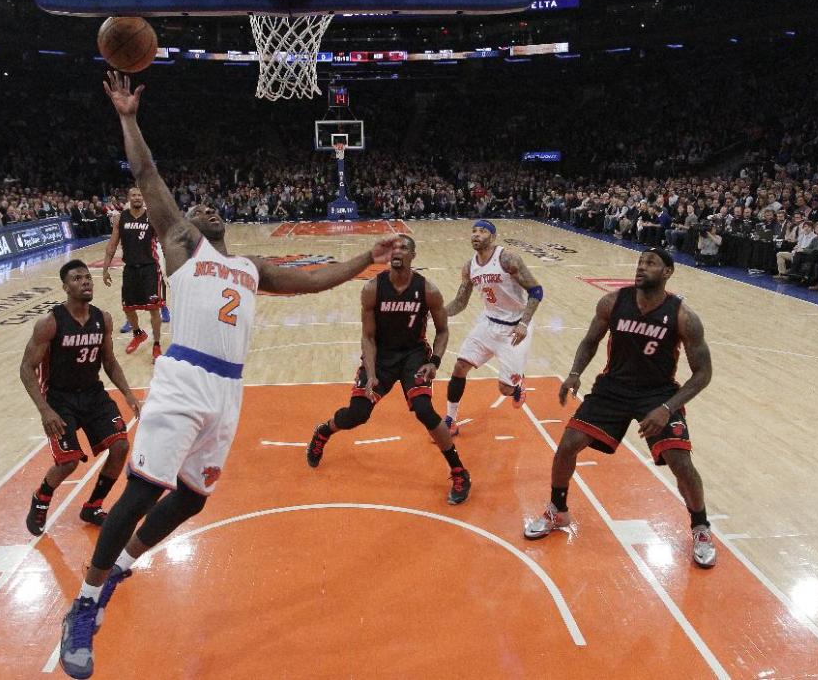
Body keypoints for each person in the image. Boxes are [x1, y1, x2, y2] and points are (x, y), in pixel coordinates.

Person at [58, 71, 394, 680]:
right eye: (199, 204)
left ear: (227, 222)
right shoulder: (186, 245)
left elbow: (314, 279)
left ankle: (124, 565)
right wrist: (129, 118)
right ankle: (83, 606)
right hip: (184, 376)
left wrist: (362, 260)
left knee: (191, 499)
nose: (204, 206)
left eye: (213, 206)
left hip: (228, 389)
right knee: (142, 490)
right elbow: (148, 178)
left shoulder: (249, 266)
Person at [523, 248, 718, 569]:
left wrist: (667, 408)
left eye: (651, 263)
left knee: (681, 462)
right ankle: (558, 510)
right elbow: (590, 341)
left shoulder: (683, 316)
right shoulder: (613, 302)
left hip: (658, 394)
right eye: (640, 262)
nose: (641, 267)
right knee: (568, 444)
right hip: (613, 388)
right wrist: (574, 373)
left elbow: (703, 374)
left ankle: (701, 527)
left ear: (668, 272)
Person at [305, 234, 471, 506]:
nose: (398, 251)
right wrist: (370, 374)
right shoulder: (372, 289)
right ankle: (324, 431)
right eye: (394, 247)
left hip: (413, 355)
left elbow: (442, 331)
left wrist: (435, 361)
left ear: (413, 256)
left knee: (424, 410)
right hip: (381, 357)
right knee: (357, 414)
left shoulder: (428, 290)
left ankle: (459, 471)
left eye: (404, 247)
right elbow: (368, 337)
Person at [20, 259, 141, 537]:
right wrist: (44, 410)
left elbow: (109, 361)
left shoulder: (103, 319)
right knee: (68, 462)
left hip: (93, 395)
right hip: (59, 399)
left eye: (87, 277)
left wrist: (127, 393)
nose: (85, 281)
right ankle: (41, 498)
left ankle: (93, 505)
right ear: (65, 287)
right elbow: (27, 368)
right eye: (77, 278)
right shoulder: (50, 323)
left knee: (121, 447)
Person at [442, 220, 542, 435]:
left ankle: (517, 385)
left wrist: (524, 323)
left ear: (493, 237)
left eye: (482, 231)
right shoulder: (469, 267)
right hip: (488, 323)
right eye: (474, 231)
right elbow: (460, 302)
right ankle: (450, 419)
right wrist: (437, 314)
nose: (476, 235)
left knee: (505, 390)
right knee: (460, 367)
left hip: (515, 329)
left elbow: (536, 291)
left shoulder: (508, 259)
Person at [102, 187, 165, 362]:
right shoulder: (120, 218)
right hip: (130, 268)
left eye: (139, 195)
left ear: (143, 199)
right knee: (128, 307)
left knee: (154, 309)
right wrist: (105, 268)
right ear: (128, 199)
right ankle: (138, 333)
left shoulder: (152, 217)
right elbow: (112, 245)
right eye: (133, 195)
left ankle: (157, 345)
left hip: (150, 268)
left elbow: (165, 242)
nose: (137, 198)